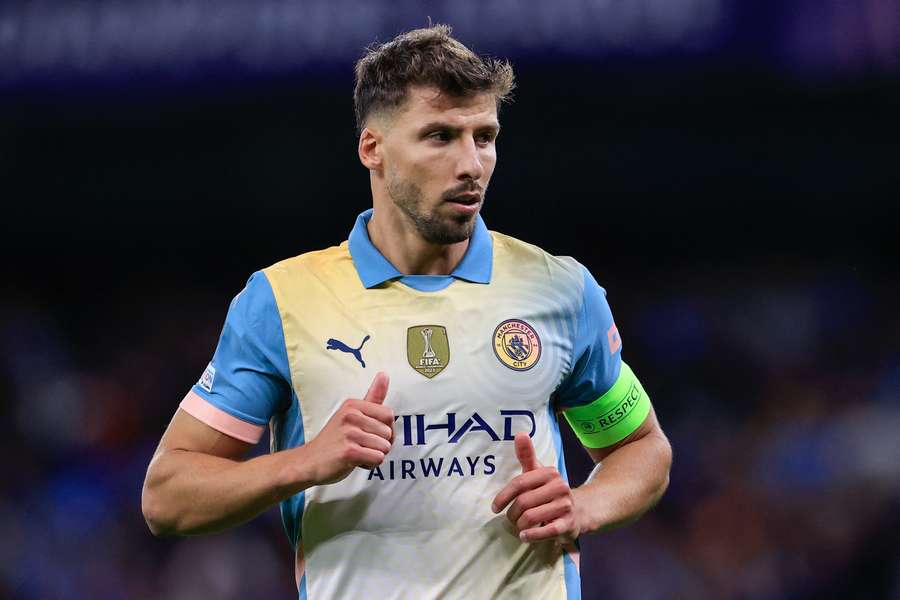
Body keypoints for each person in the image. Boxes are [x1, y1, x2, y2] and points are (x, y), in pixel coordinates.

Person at [141, 24, 672, 600]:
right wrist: (303, 463)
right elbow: (167, 497)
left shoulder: (559, 289)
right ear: (373, 148)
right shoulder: (282, 300)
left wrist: (585, 503)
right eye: (440, 136)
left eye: (485, 137)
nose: (471, 164)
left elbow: (640, 449)